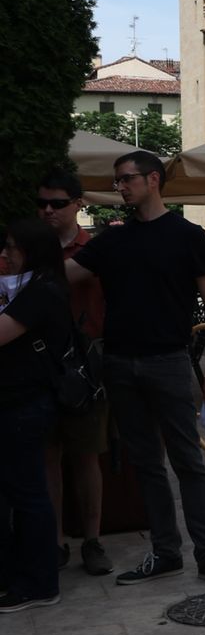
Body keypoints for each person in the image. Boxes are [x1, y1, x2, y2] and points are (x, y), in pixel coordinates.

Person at [65, 149, 205, 587]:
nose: (120, 187)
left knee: (188, 461)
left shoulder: (187, 235)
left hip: (168, 361)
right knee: (145, 462)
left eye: (126, 179)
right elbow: (61, 275)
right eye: (117, 181)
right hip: (120, 364)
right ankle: (165, 552)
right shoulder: (111, 239)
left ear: (153, 180)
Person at [36, 165, 111, 574]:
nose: (48, 211)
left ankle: (93, 541)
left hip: (85, 364)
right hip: (40, 363)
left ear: (78, 205)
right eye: (42, 203)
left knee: (86, 456)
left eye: (58, 204)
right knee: (49, 457)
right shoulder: (28, 251)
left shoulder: (94, 249)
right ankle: (56, 541)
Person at [0, 219, 72, 610]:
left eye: (11, 247)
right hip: (16, 403)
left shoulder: (41, 291)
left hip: (25, 405)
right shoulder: (27, 288)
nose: (5, 254)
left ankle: (40, 582)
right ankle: (19, 575)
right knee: (18, 491)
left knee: (28, 494)